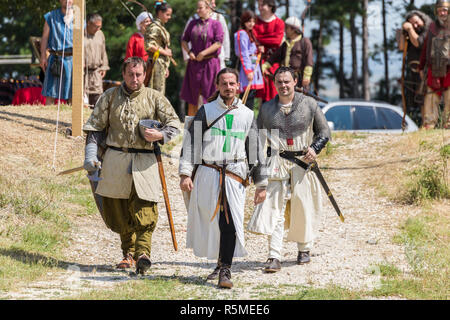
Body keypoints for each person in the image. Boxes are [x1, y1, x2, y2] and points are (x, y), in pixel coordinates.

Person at [82, 57, 180, 274]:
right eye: (130, 74)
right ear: (123, 74)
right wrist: (90, 154)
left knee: (145, 207)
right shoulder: (110, 96)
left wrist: (160, 134)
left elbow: (174, 124)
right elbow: (95, 128)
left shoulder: (155, 97)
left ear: (144, 75)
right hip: (116, 159)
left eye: (138, 75)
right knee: (118, 207)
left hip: (145, 160)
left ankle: (143, 253)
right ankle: (128, 253)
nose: (134, 79)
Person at [179, 68, 267, 289]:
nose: (228, 87)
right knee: (213, 222)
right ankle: (220, 263)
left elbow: (255, 150)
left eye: (232, 83)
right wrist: (185, 173)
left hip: (235, 175)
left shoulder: (247, 114)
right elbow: (191, 143)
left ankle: (225, 269)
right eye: (224, 83)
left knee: (230, 222)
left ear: (238, 86)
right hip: (209, 173)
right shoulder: (206, 111)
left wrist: (261, 184)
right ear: (217, 86)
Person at [247, 67, 331, 272]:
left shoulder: (309, 104)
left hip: (302, 163)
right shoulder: (267, 109)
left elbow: (324, 132)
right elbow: (257, 141)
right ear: (275, 84)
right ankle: (274, 255)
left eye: (287, 81)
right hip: (276, 162)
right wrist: (258, 173)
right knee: (274, 210)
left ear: (295, 81)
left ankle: (304, 248)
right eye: (279, 82)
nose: (283, 85)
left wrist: (315, 148)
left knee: (303, 207)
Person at [180, 0, 224, 116]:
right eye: (197, 8)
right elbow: (184, 40)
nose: (198, 10)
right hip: (194, 64)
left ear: (208, 8)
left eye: (200, 8)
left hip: (210, 63)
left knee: (211, 94)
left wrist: (204, 53)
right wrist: (189, 52)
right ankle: (191, 125)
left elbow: (218, 43)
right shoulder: (192, 23)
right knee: (192, 95)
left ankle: (210, 122)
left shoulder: (216, 24)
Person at [397, 10, 433, 126]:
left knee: (429, 97)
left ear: (422, 19)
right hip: (415, 72)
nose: (415, 26)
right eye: (412, 24)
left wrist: (410, 29)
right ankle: (425, 125)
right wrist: (403, 33)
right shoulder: (408, 31)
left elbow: (419, 43)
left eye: (417, 22)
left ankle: (431, 124)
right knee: (420, 99)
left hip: (430, 70)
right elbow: (402, 47)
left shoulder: (430, 29)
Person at [419, 0, 450, 129]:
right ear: (436, 11)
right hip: (434, 68)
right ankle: (429, 125)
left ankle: (448, 124)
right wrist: (421, 66)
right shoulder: (432, 27)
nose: (442, 13)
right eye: (439, 10)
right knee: (431, 97)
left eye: (445, 10)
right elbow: (426, 47)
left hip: (449, 69)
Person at [262, 16, 314, 92]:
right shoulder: (285, 44)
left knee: (300, 102)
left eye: (287, 28)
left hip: (299, 81)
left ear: (293, 29)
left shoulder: (305, 42)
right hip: (286, 81)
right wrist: (264, 67)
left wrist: (307, 77)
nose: (284, 30)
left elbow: (309, 61)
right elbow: (274, 57)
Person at [40, 0, 74, 105]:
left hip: (73, 59)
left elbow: (83, 40)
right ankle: (47, 117)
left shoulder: (79, 17)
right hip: (55, 58)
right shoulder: (51, 16)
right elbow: (45, 38)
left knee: (73, 94)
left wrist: (83, 59)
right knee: (51, 93)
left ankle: (70, 119)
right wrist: (43, 57)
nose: (68, 1)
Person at [182, 0, 230, 69]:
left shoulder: (219, 18)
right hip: (196, 59)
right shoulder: (193, 19)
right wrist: (188, 54)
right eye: (212, 3)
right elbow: (185, 38)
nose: (214, 5)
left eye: (214, 3)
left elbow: (224, 38)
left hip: (214, 59)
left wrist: (226, 55)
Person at [253, 0, 285, 102]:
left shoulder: (279, 23)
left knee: (272, 96)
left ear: (270, 6)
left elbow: (277, 41)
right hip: (256, 61)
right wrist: (265, 39)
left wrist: (260, 40)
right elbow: (253, 38)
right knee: (252, 94)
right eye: (259, 6)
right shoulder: (255, 21)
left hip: (273, 62)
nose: (260, 8)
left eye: (262, 5)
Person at [234, 10, 264, 110]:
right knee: (246, 97)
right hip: (246, 68)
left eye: (253, 21)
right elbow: (243, 53)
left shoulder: (250, 33)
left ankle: (249, 120)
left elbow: (250, 50)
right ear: (244, 21)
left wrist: (258, 49)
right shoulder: (242, 33)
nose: (252, 24)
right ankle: (245, 121)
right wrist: (248, 71)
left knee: (251, 95)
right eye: (249, 21)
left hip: (252, 66)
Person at [144, 1, 173, 94]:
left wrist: (166, 67)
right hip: (155, 63)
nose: (169, 17)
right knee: (156, 93)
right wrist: (166, 52)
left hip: (161, 64)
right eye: (167, 14)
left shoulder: (160, 26)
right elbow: (149, 45)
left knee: (159, 93)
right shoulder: (154, 27)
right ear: (160, 13)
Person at [84, 13, 109, 108]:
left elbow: (103, 51)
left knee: (97, 101)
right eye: (96, 26)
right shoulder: (79, 34)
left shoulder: (100, 34)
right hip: (83, 74)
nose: (98, 29)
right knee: (83, 101)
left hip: (96, 73)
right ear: (89, 23)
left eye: (100, 27)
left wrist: (104, 67)